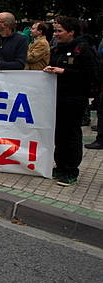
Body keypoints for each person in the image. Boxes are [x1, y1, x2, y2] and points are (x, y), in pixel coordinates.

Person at [44, 17, 98, 186]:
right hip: (57, 98)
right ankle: (60, 166)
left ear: (71, 32)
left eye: (60, 31)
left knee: (71, 134)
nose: (56, 34)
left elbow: (91, 75)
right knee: (59, 134)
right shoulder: (56, 49)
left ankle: (71, 170)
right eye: (55, 31)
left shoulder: (84, 49)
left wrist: (64, 71)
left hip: (74, 99)